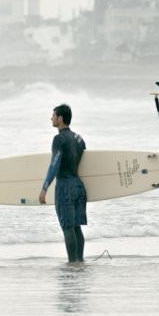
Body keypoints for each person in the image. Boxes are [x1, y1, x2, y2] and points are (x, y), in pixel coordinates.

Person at [39, 104, 88, 263]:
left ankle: (72, 263)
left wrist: (44, 188)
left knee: (67, 227)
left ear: (60, 119)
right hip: (79, 186)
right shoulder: (79, 139)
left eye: (53, 115)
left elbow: (55, 164)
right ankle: (79, 262)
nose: (51, 118)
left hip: (65, 187)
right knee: (76, 227)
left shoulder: (59, 139)